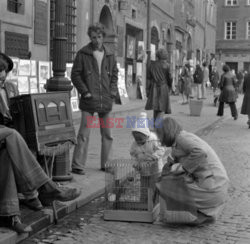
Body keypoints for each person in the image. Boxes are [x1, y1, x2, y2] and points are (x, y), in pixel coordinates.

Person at [0, 53, 81, 234]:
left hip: (4, 137)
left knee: (8, 152)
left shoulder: (8, 88)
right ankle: (44, 188)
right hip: (6, 133)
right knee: (13, 136)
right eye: (0, 73)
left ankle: (11, 216)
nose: (3, 78)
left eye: (4, 73)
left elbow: (17, 111)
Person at [155, 117, 229, 225]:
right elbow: (174, 158)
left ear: (166, 132)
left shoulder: (182, 138)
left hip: (213, 187)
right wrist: (170, 164)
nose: (159, 139)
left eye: (160, 136)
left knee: (168, 183)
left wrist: (182, 168)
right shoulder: (180, 140)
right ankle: (202, 214)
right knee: (170, 177)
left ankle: (197, 214)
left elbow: (200, 152)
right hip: (216, 185)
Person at [71, 23, 118, 175]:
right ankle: (78, 165)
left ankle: (107, 164)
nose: (96, 40)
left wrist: (111, 92)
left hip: (105, 99)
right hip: (89, 100)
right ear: (90, 38)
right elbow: (75, 75)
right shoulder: (82, 54)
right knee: (84, 134)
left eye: (99, 37)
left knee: (108, 134)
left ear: (103, 37)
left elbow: (115, 75)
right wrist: (85, 92)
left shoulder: (110, 55)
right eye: (93, 37)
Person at [145, 48, 172, 124]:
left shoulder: (152, 65)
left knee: (156, 108)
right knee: (162, 109)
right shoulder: (167, 65)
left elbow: (148, 78)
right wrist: (170, 86)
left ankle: (155, 126)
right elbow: (170, 78)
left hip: (154, 88)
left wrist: (148, 89)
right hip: (163, 87)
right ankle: (157, 127)